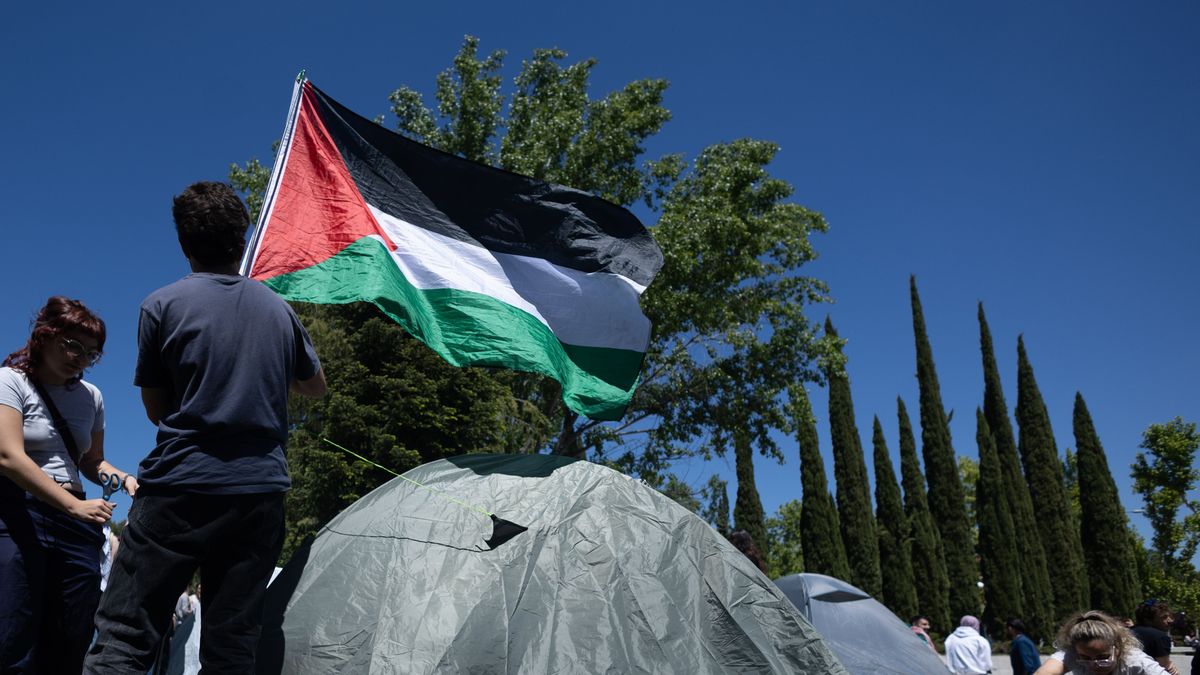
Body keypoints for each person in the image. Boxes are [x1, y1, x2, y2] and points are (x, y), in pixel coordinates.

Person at [85, 181, 326, 673]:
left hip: (179, 488)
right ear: (243, 240)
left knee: (127, 634)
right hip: (257, 495)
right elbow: (315, 386)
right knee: (233, 643)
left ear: (183, 244)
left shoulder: (162, 305)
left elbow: (155, 409)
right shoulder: (279, 310)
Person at [0, 296, 139, 672]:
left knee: (71, 635)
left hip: (74, 525)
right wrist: (74, 505)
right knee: (14, 631)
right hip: (19, 513)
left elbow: (92, 461)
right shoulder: (10, 382)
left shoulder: (91, 397)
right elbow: (8, 456)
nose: (79, 357)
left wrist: (124, 478)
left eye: (91, 353)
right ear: (45, 336)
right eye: (72, 345)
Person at [1034, 610, 1169, 675]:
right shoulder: (1074, 653)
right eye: (1086, 658)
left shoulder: (1134, 661)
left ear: (1117, 648)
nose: (1094, 665)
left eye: (1103, 658)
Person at [1131, 599, 1179, 675]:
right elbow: (1165, 669)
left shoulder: (1125, 632)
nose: (1170, 620)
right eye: (1164, 617)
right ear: (1147, 620)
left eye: (1169, 616)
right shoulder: (1159, 637)